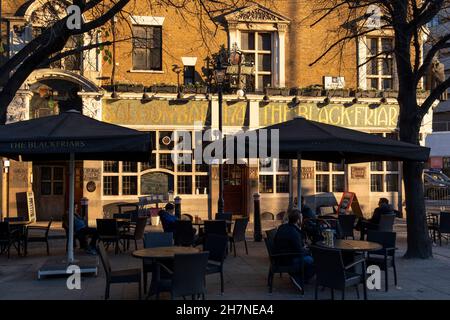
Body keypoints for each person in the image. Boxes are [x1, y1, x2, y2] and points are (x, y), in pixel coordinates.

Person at [273, 209, 315, 293]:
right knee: (313, 260)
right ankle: (299, 277)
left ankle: (298, 275)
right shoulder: (294, 232)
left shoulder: (283, 227)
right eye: (302, 218)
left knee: (309, 257)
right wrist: (310, 250)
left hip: (279, 257)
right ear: (298, 220)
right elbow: (299, 251)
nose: (302, 220)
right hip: (288, 259)